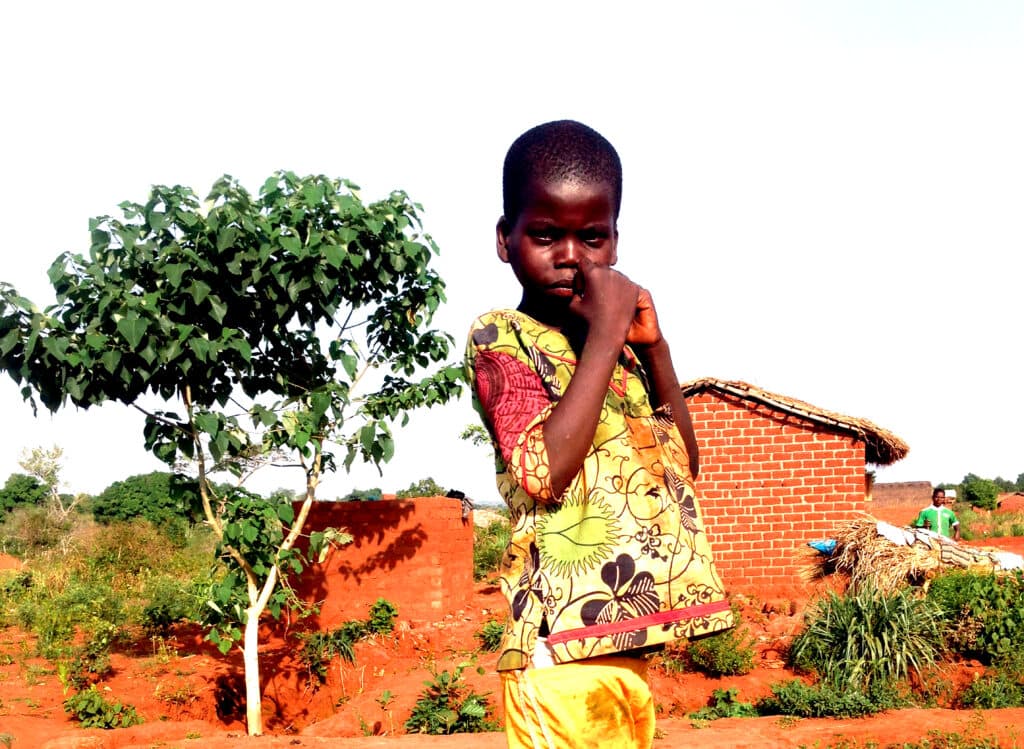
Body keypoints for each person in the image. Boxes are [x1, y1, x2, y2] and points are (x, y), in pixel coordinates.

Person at [465, 120, 733, 749]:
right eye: (545, 235)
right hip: (556, 650)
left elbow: (681, 465)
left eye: (592, 236)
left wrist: (655, 349)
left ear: (615, 241)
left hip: (622, 645)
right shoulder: (500, 336)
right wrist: (609, 336)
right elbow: (542, 472)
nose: (571, 255)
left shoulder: (616, 354)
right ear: (505, 240)